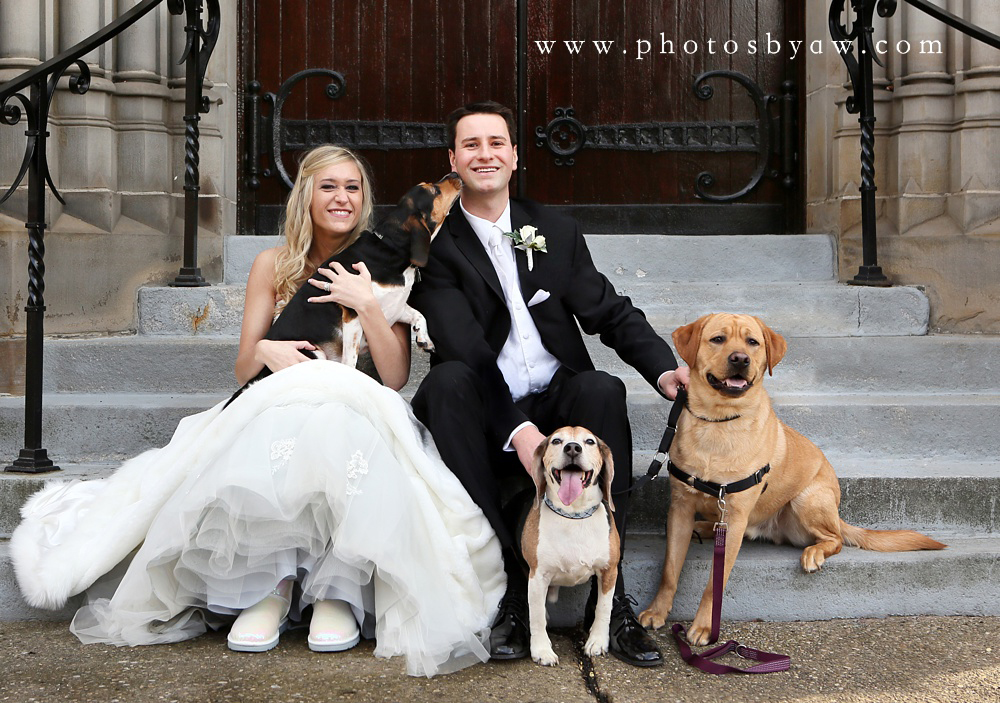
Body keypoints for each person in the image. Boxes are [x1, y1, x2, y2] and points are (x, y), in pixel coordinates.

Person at [11, 145, 505, 678]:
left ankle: (335, 588)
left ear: (365, 200)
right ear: (306, 196)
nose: (341, 197)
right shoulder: (274, 265)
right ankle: (272, 581)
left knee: (336, 426)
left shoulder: (385, 265)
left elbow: (394, 377)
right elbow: (245, 365)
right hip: (277, 397)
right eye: (328, 186)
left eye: (352, 187)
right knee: (284, 422)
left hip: (357, 401)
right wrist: (269, 350)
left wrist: (365, 303)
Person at [409, 102, 690, 667]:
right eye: (471, 145)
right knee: (445, 384)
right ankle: (516, 588)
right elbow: (464, 346)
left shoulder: (555, 230)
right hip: (488, 401)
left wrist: (664, 368)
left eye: (496, 143)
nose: (484, 154)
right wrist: (519, 431)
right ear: (453, 161)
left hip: (556, 393)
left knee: (602, 390)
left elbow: (607, 310)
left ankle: (609, 599)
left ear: (514, 155)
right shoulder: (435, 249)